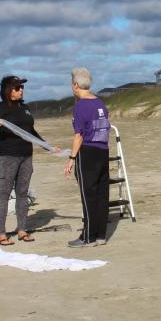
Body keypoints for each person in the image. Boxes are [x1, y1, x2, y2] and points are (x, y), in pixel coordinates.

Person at [0, 75, 42, 245]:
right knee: (4, 193)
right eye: (17, 87)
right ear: (8, 90)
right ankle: (1, 234)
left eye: (21, 87)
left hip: (26, 155)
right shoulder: (0, 107)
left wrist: (47, 145)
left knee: (22, 193)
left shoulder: (25, 108)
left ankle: (22, 230)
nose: (21, 90)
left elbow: (31, 131)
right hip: (7, 156)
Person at [64, 67, 111, 247]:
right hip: (103, 150)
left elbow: (79, 135)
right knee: (101, 193)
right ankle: (100, 235)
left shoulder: (80, 106)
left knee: (88, 193)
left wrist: (72, 158)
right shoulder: (100, 103)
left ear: (75, 85)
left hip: (88, 152)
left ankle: (88, 236)